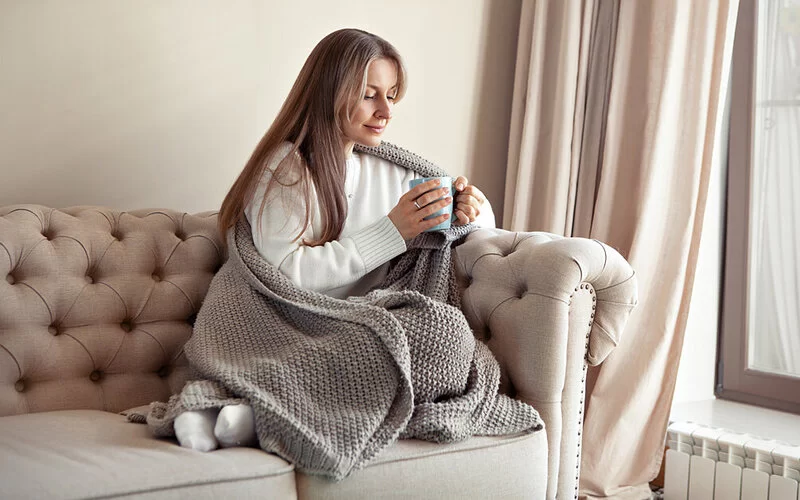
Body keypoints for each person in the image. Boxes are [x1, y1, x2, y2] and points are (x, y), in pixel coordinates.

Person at [172, 28, 496, 452]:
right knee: (376, 344)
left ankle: (259, 414)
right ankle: (251, 407)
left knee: (448, 333)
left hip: (357, 322)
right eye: (369, 95)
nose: (386, 111)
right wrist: (394, 231)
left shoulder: (393, 170)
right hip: (284, 324)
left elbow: (478, 229)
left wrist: (471, 208)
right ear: (330, 93)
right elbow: (288, 275)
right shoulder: (286, 168)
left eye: (392, 95)